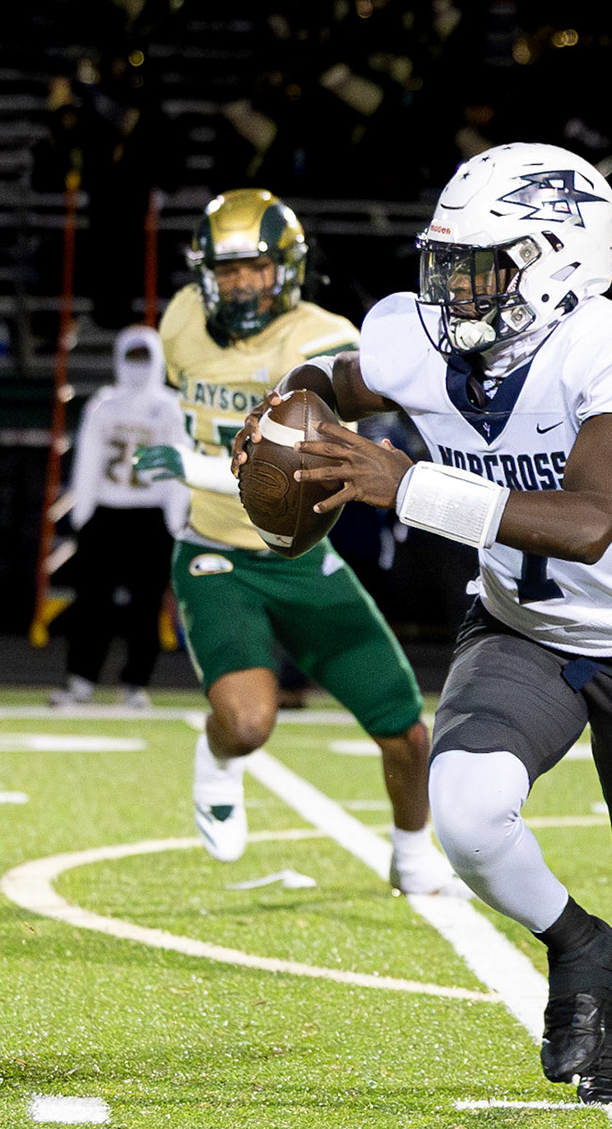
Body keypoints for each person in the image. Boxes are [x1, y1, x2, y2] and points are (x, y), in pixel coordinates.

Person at [251, 143, 612, 1105]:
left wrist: (408, 485)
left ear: (556, 263)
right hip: (521, 626)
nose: (451, 291)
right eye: (445, 265)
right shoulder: (421, 342)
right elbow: (326, 379)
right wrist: (285, 430)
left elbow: (589, 524)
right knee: (465, 815)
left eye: (477, 268)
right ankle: (577, 945)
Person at [129, 189, 462, 896]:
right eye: (227, 270)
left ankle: (412, 857)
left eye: (256, 267)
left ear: (286, 269)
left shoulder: (317, 337)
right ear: (203, 274)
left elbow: (305, 457)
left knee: (406, 729)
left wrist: (190, 466)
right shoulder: (181, 320)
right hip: (216, 553)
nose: (241, 284)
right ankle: (218, 760)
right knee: (248, 723)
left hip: (305, 558)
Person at [52, 326, 188, 709]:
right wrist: (83, 513)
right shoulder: (103, 403)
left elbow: (178, 463)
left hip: (151, 516)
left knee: (145, 606)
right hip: (107, 513)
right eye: (132, 357)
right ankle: (81, 681)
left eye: (145, 357)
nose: (138, 366)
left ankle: (135, 684)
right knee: (92, 603)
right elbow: (88, 460)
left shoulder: (170, 406)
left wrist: (174, 518)